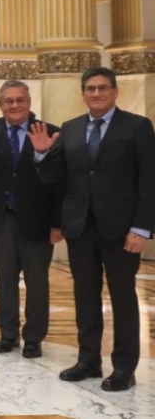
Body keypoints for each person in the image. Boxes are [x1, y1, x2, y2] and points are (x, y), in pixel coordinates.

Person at [31, 67, 155, 392]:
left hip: (121, 229)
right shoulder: (70, 129)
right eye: (90, 89)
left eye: (102, 88)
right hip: (80, 227)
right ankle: (88, 360)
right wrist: (43, 152)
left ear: (115, 92)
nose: (96, 94)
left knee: (123, 298)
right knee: (85, 295)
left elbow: (148, 181)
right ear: (83, 94)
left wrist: (141, 228)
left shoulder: (138, 127)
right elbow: (54, 178)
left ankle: (125, 367)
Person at [0, 82, 60, 358]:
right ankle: (8, 334)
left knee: (37, 280)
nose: (14, 105)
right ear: (0, 103)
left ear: (29, 101)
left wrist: (41, 153)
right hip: (0, 216)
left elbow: (57, 179)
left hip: (37, 219)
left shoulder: (48, 131)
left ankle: (34, 337)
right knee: (5, 278)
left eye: (19, 100)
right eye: (8, 101)